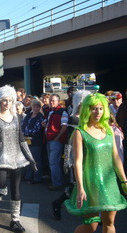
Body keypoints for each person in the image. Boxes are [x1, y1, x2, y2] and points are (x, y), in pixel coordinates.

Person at [65, 93, 127, 233]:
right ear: (87, 110)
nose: (97, 112)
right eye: (93, 108)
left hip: (109, 182)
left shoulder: (108, 129)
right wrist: (80, 187)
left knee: (109, 223)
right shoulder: (80, 132)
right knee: (91, 225)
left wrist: (124, 180)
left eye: (100, 108)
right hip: (90, 183)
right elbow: (78, 161)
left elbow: (116, 157)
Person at [0, 85, 37, 233]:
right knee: (0, 190)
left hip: (16, 158)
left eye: (9, 100)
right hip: (1, 158)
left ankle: (15, 220)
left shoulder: (16, 118)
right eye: (4, 100)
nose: (7, 103)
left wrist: (30, 158)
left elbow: (21, 140)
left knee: (16, 191)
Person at [51, 90, 90, 220]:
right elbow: (69, 141)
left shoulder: (89, 117)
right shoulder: (74, 118)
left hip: (88, 155)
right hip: (75, 156)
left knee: (89, 185)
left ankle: (94, 214)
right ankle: (57, 202)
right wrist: (68, 160)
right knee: (74, 186)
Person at [42, 94, 68, 191]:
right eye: (50, 101)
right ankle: (59, 181)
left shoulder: (62, 112)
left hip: (55, 140)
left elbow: (64, 126)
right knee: (53, 162)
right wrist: (44, 123)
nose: (51, 102)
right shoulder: (50, 112)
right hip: (49, 139)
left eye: (53, 101)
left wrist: (57, 138)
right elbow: (48, 122)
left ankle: (57, 183)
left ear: (58, 101)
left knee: (53, 163)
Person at [22, 99, 44, 184]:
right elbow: (23, 125)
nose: (35, 108)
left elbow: (36, 129)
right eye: (34, 106)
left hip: (36, 141)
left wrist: (26, 133)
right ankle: (28, 176)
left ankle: (37, 177)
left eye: (38, 107)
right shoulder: (28, 115)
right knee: (28, 158)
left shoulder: (40, 117)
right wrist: (23, 133)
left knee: (36, 159)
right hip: (27, 141)